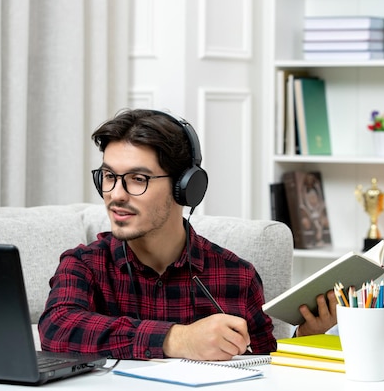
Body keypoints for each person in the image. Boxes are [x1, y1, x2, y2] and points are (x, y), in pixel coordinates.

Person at [38, 109, 337, 361]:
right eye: (109, 177)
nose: (115, 195)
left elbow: (263, 367)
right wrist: (178, 339)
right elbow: (57, 329)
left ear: (186, 187)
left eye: (137, 179)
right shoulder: (84, 265)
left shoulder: (237, 276)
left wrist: (304, 339)